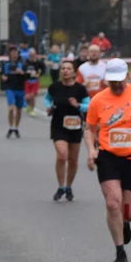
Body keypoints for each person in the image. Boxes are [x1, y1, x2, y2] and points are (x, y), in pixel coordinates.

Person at [84, 59, 131, 262]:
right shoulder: (98, 100)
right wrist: (91, 149)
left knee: (129, 213)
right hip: (108, 157)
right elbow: (89, 128)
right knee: (112, 203)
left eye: (119, 81)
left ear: (126, 76)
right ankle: (120, 251)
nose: (116, 85)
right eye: (112, 81)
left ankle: (124, 223)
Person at [46, 59, 90, 202]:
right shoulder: (54, 87)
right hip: (58, 125)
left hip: (75, 126)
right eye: (63, 68)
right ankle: (61, 186)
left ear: (73, 72)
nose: (65, 71)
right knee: (62, 155)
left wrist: (77, 105)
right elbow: (47, 99)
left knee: (73, 159)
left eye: (68, 69)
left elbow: (88, 106)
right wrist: (48, 106)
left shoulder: (80, 89)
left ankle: (69, 186)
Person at [1, 46, 27, 138]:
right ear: (10, 53)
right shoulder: (6, 64)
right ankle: (10, 126)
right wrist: (3, 79)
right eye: (12, 52)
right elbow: (2, 75)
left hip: (20, 88)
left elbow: (27, 75)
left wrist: (22, 73)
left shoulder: (23, 63)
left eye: (15, 52)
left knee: (19, 109)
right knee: (11, 108)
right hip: (10, 87)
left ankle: (16, 127)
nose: (14, 54)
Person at [24, 51, 45, 116]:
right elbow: (23, 70)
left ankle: (32, 110)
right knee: (27, 97)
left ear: (35, 55)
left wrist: (39, 74)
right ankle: (28, 106)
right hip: (27, 81)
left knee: (32, 96)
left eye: (33, 55)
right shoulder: (26, 62)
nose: (32, 56)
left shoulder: (38, 62)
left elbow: (43, 69)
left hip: (35, 81)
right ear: (29, 55)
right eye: (31, 55)